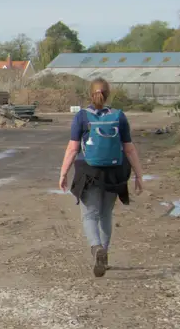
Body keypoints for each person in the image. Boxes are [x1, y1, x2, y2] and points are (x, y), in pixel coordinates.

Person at [58, 78, 144, 276]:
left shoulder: (82, 116)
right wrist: (139, 176)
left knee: (90, 214)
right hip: (115, 172)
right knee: (105, 214)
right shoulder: (119, 116)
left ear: (91, 94)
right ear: (108, 94)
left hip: (89, 171)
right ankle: (104, 255)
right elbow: (129, 149)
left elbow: (72, 149)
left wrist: (63, 173)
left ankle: (97, 248)